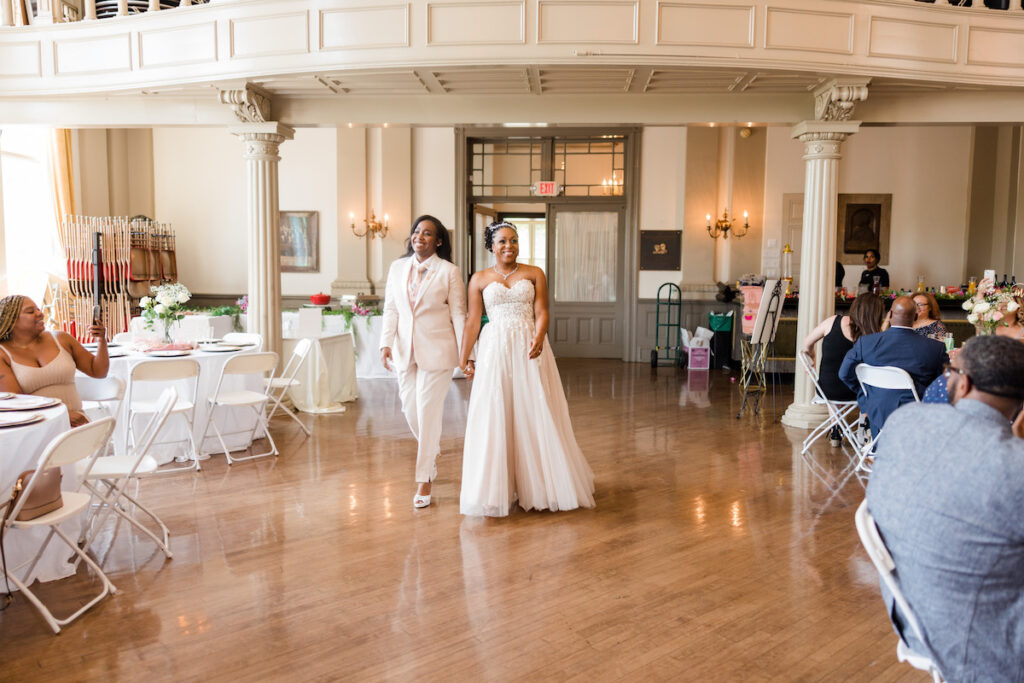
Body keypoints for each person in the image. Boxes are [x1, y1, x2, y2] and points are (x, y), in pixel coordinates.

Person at [866, 335, 1024, 680]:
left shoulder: (905, 421)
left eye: (951, 372)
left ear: (963, 383)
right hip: (984, 647)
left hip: (913, 616)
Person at [458, 221, 595, 517]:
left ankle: (542, 486)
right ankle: (494, 489)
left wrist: (539, 336)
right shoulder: (479, 279)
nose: (510, 246)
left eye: (514, 241)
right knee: (497, 411)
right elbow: (472, 320)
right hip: (495, 349)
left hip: (529, 346)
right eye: (503, 241)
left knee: (535, 409)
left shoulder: (534, 274)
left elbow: (542, 311)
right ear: (491, 247)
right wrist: (465, 355)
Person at [379, 215, 467, 509]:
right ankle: (431, 450)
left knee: (428, 413)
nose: (420, 236)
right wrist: (385, 343)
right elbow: (391, 309)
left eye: (427, 233)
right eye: (416, 231)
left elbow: (458, 315)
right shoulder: (397, 268)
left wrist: (467, 354)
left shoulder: (449, 272)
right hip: (405, 352)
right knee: (410, 410)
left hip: (438, 352)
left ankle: (425, 478)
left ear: (438, 240)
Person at [839, 296, 947, 438]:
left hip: (877, 411)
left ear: (889, 315)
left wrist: (865, 396)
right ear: (915, 316)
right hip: (916, 416)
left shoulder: (865, 343)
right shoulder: (935, 348)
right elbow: (944, 383)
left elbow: (844, 373)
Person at [0, 295, 109, 427]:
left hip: (77, 422)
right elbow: (17, 401)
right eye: (30, 311)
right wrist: (61, 414)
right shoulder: (3, 354)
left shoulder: (61, 339)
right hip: (37, 424)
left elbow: (98, 371)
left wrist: (101, 340)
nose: (40, 314)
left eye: (38, 309)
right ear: (11, 321)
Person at [801, 293, 885, 444]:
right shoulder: (875, 336)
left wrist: (811, 356)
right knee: (869, 388)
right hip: (855, 393)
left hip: (827, 390)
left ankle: (836, 427)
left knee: (833, 380)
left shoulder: (833, 321)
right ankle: (864, 422)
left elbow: (807, 343)